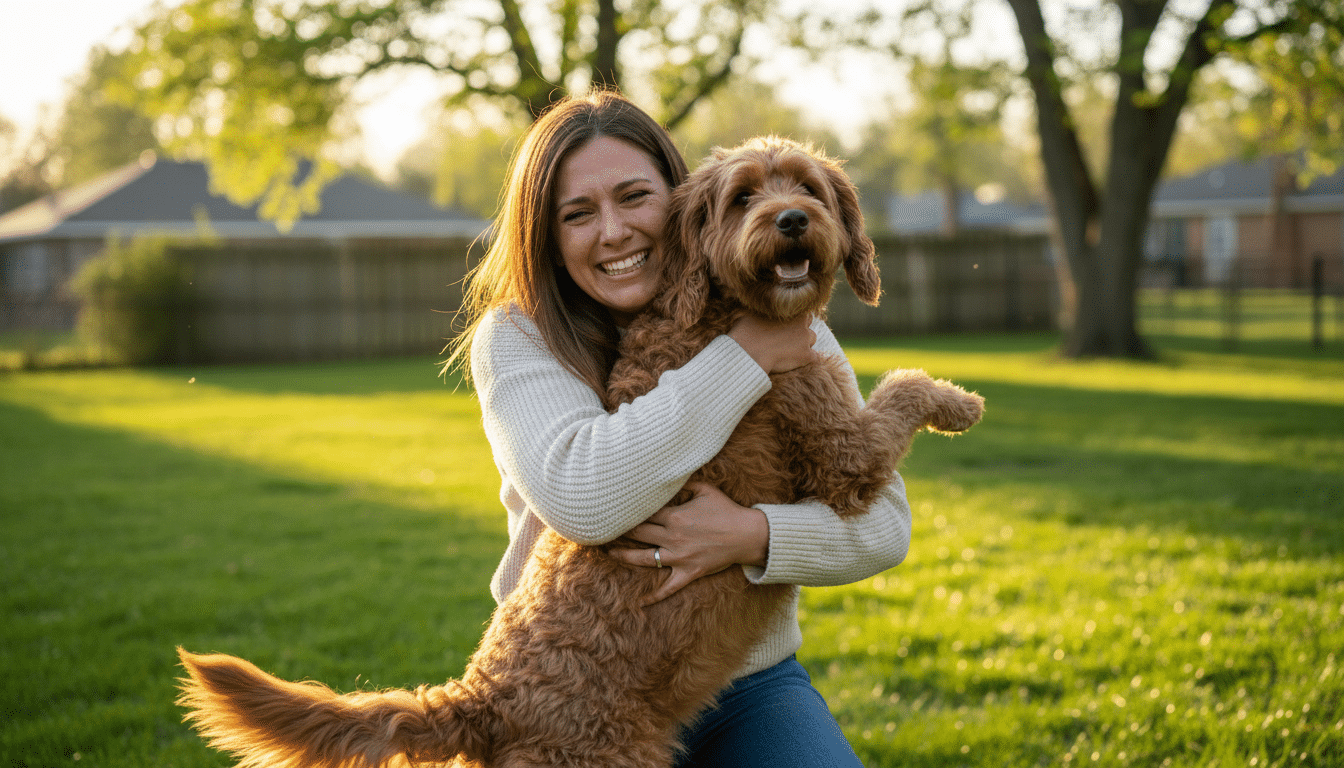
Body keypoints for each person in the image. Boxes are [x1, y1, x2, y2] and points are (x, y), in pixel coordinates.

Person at [442, 89, 911, 768]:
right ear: (546, 235)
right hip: (584, 692)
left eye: (634, 197)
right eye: (578, 214)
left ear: (682, 200)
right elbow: (585, 498)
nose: (614, 232)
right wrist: (743, 358)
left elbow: (886, 525)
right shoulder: (519, 337)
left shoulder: (785, 309)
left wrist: (753, 535)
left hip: (748, 683)